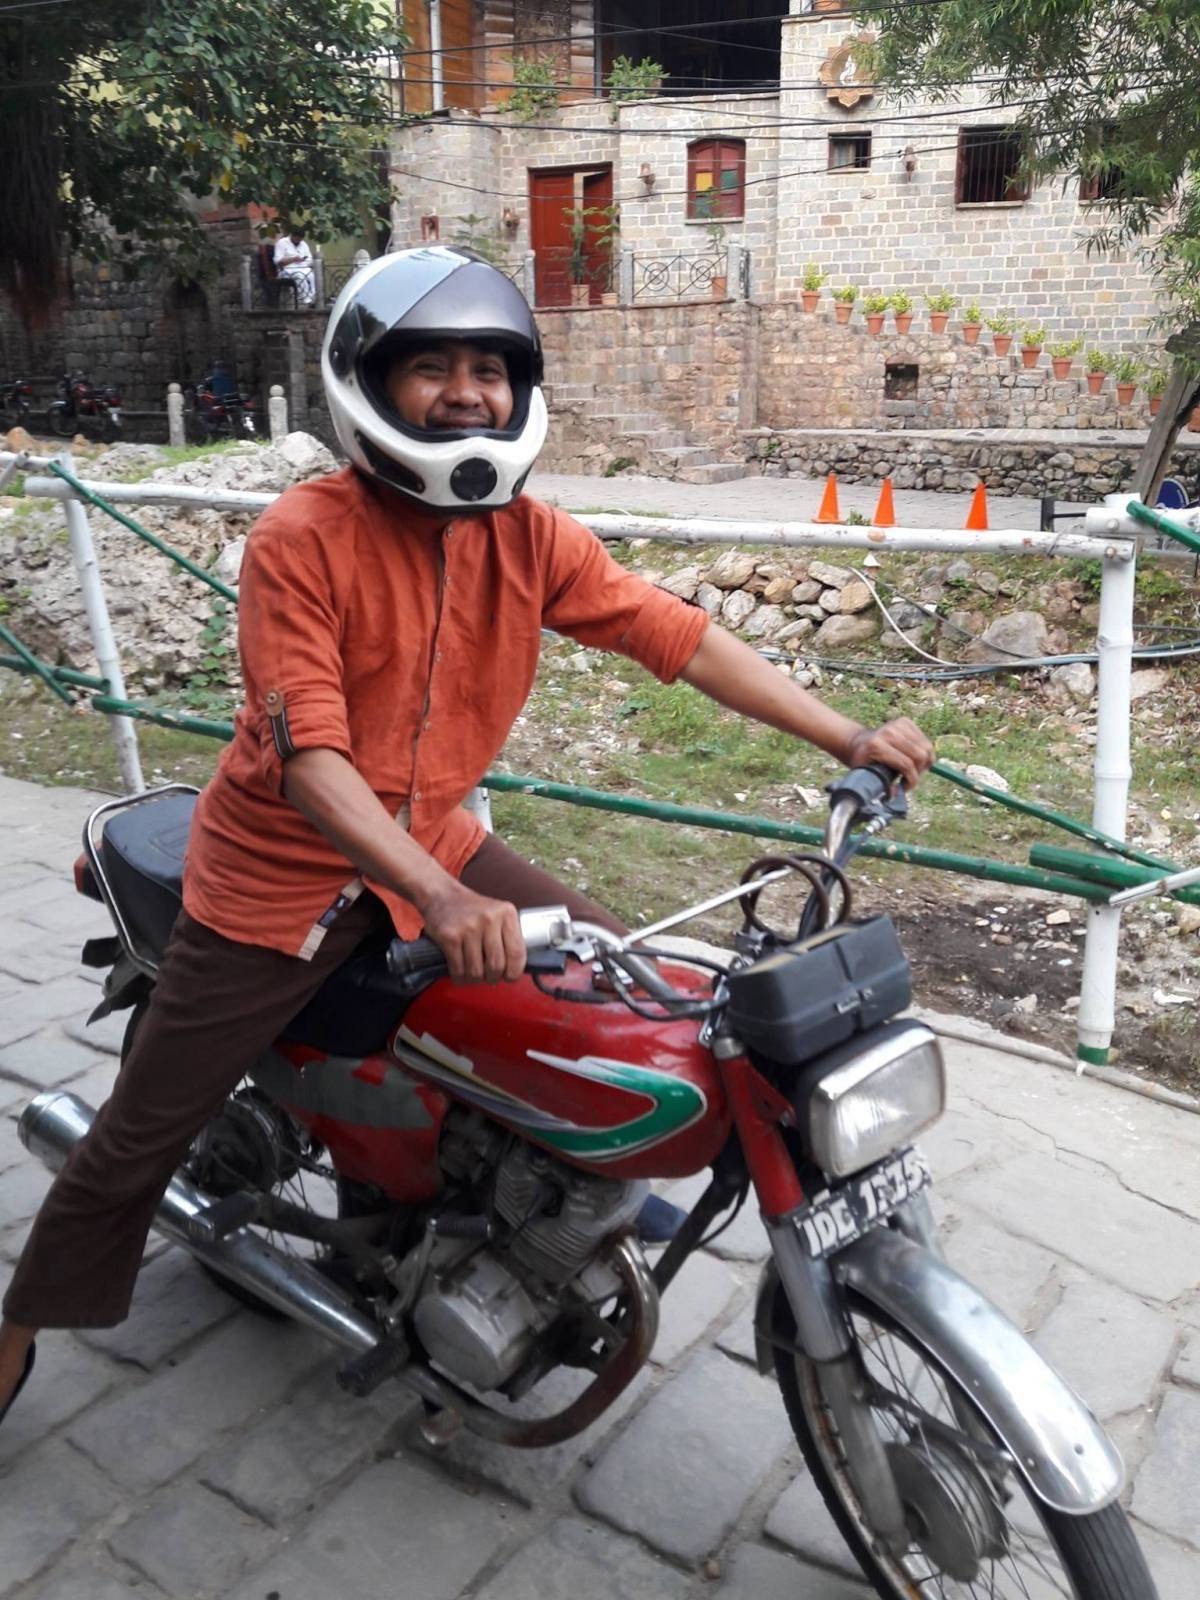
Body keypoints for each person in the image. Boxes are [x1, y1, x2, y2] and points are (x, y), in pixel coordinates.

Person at [0, 246, 933, 1426]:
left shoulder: (529, 536)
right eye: (431, 367)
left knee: (642, 1008)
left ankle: (541, 1206)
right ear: (370, 388)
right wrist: (439, 896)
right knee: (139, 1137)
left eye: (488, 369)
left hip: (433, 841)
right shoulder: (305, 536)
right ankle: (19, 1325)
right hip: (279, 884)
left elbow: (676, 636)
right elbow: (309, 758)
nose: (466, 393)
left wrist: (845, 734)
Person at [273, 224, 315, 307]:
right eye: (297, 238)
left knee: (311, 275)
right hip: (287, 269)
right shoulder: (282, 243)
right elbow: (278, 261)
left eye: (300, 239)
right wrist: (293, 259)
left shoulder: (303, 244)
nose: (298, 240)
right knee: (300, 276)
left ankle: (313, 297)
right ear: (292, 235)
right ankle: (306, 300)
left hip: (303, 267)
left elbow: (310, 259)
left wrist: (304, 260)